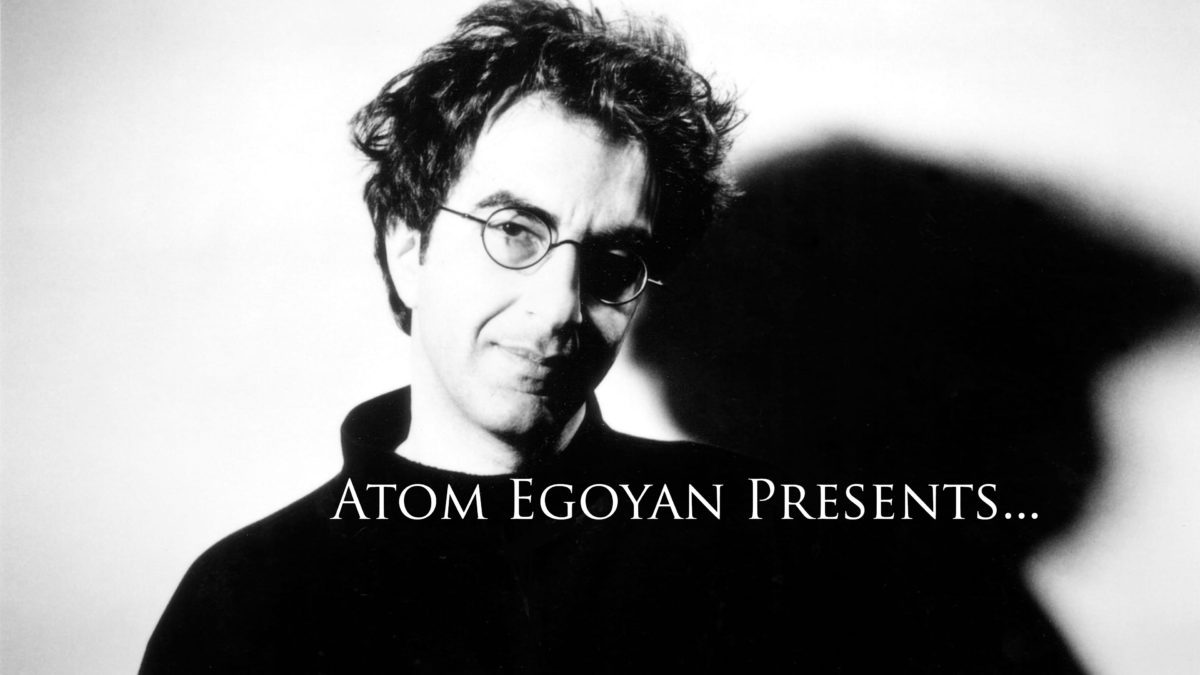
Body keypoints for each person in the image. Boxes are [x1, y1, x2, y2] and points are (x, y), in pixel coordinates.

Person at [141, 2, 790, 672]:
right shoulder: (244, 601)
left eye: (614, 260)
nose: (559, 308)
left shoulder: (750, 535)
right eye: (513, 231)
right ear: (406, 249)